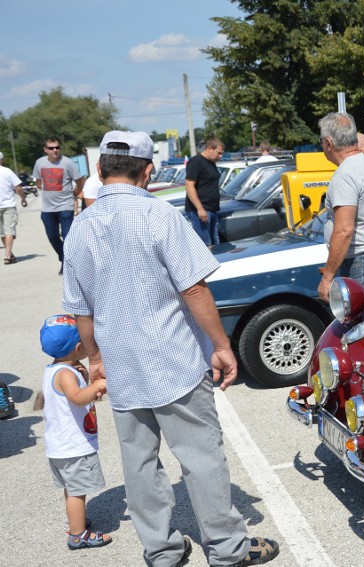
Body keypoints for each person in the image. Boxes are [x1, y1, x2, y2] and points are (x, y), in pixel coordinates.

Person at [61, 131, 279, 567]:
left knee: (139, 463)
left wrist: (96, 358)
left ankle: (161, 551)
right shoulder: (160, 214)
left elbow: (80, 311)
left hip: (121, 365)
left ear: (100, 172)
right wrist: (222, 345)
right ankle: (227, 549)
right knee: (201, 457)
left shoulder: (80, 227)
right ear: (147, 172)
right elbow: (195, 288)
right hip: (173, 358)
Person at [39, 314, 112, 550]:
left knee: (72, 489)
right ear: (79, 347)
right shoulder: (66, 374)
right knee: (77, 491)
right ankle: (78, 534)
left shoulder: (55, 370)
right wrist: (97, 386)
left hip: (59, 446)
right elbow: (78, 398)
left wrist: (86, 380)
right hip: (73, 446)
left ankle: (76, 521)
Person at [318, 113, 364, 301]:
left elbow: (344, 229)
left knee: (362, 328)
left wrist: (327, 278)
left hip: (362, 264)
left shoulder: (346, 173)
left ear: (328, 143)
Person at [31, 137, 84, 274]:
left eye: (57, 147)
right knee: (52, 236)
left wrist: (75, 193)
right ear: (45, 150)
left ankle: (67, 264)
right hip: (48, 208)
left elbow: (79, 181)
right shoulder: (39, 163)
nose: (55, 150)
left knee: (67, 236)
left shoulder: (67, 163)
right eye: (51, 148)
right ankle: (63, 257)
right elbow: (38, 182)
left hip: (65, 206)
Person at [185, 137, 225, 246]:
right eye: (219, 153)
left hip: (212, 209)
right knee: (205, 245)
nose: (220, 156)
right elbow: (189, 185)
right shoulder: (196, 161)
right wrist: (200, 208)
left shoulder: (211, 162)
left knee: (215, 244)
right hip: (200, 211)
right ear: (209, 149)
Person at [0, 151, 27, 265]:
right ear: (2, 159)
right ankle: (7, 255)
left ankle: (9, 255)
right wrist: (23, 198)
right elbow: (18, 187)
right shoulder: (7, 171)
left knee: (2, 233)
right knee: (9, 231)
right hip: (8, 205)